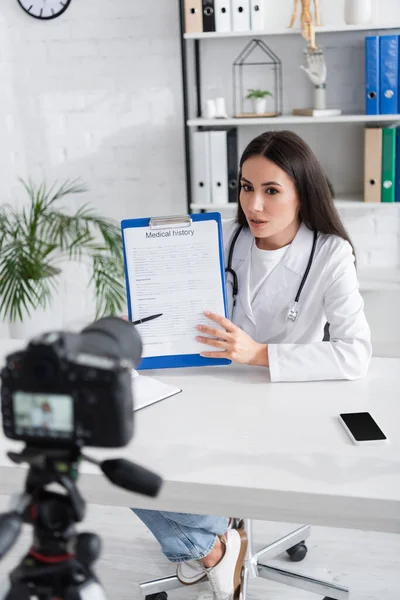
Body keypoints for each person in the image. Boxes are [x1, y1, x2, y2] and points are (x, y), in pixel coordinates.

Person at [132, 131, 372, 600]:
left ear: (303, 192)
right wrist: (141, 318)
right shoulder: (220, 238)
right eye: (246, 188)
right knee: (125, 450)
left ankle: (201, 543)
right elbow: (175, 309)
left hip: (280, 399)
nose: (254, 206)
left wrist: (259, 353)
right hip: (208, 387)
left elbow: (355, 352)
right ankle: (213, 547)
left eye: (271, 190)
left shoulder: (329, 254)